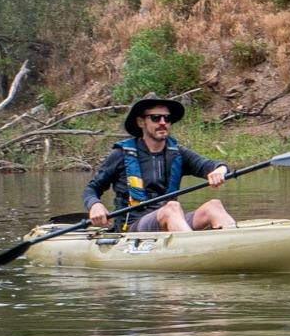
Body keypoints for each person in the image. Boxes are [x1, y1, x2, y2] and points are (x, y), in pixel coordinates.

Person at [85, 95, 236, 233]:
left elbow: (211, 165)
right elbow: (92, 188)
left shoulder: (178, 153)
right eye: (156, 118)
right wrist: (94, 205)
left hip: (172, 219)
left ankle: (235, 246)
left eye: (167, 118)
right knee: (171, 208)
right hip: (132, 227)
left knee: (214, 206)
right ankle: (190, 250)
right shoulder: (120, 155)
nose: (163, 123)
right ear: (140, 122)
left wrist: (220, 169)